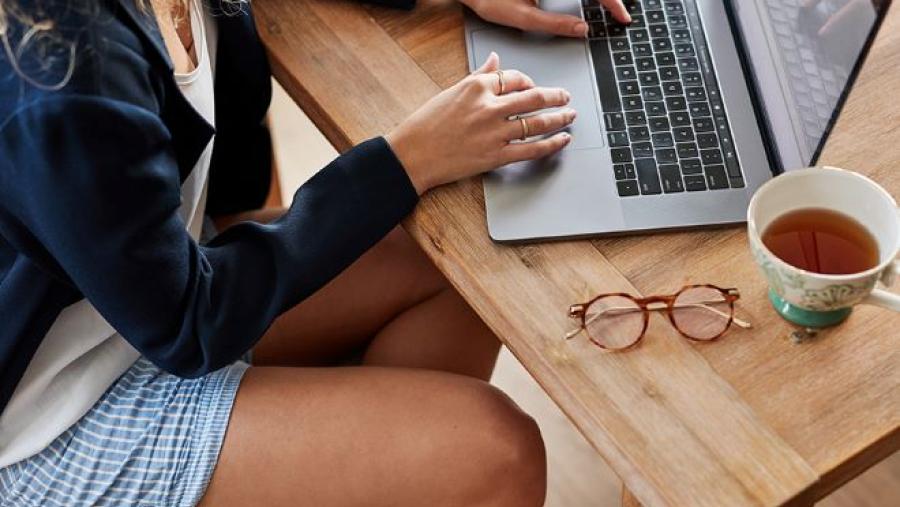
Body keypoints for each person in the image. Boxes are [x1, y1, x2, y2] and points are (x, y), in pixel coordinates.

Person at [0, 0, 628, 505]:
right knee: (500, 453)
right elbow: (189, 324)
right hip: (52, 420)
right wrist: (407, 160)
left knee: (451, 253)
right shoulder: (61, 76)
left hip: (137, 304)